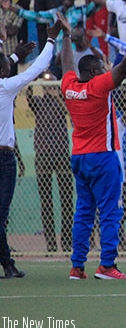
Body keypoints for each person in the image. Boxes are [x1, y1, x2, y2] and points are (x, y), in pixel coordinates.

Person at [62, 14, 126, 280]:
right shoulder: (98, 87)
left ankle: (77, 266)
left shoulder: (69, 86)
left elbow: (67, 64)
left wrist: (65, 36)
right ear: (94, 72)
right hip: (102, 156)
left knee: (84, 212)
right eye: (102, 67)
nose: (106, 70)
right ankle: (107, 265)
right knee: (111, 210)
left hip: (79, 156)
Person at [0, 18, 60, 278]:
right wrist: (51, 40)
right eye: (7, 65)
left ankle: (8, 264)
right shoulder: (5, 87)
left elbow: (7, 65)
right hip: (4, 158)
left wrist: (13, 55)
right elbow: (36, 69)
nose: (10, 67)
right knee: (1, 215)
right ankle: (8, 264)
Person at [27, 79, 73, 253]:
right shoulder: (39, 103)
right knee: (46, 201)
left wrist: (56, 94)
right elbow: (29, 98)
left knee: (66, 199)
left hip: (61, 153)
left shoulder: (63, 100)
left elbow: (69, 113)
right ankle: (51, 244)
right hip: (43, 154)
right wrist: (35, 81)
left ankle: (66, 241)